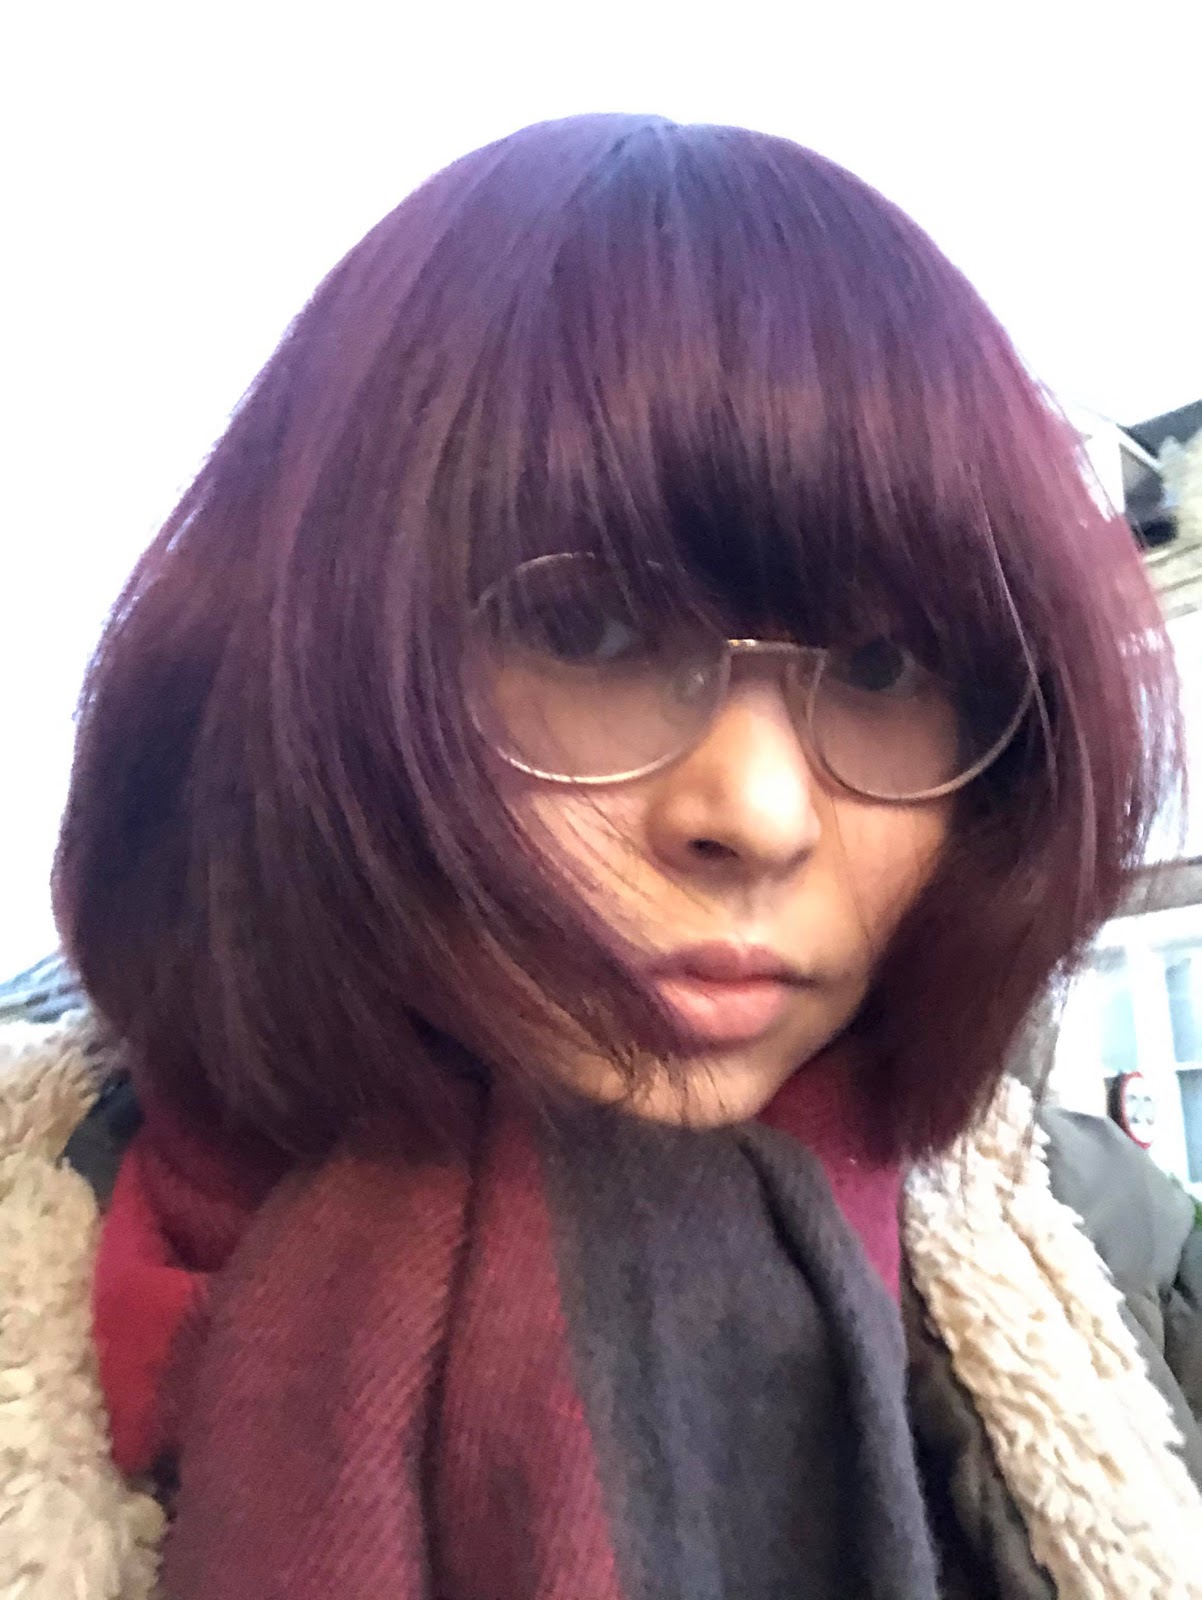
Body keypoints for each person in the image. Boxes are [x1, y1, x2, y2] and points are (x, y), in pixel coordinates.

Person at [1, 112, 1199, 1599]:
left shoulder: (1121, 1255)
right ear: (297, 669)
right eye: (587, 631)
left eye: (884, 668)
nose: (758, 814)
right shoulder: (45, 1226)